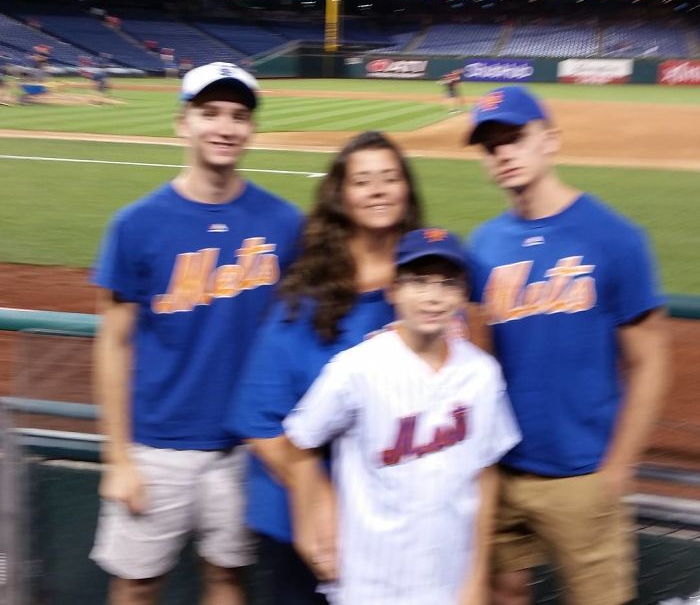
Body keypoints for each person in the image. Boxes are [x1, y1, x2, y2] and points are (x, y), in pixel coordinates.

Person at [90, 62, 303, 605]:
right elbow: (112, 345)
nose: (225, 127)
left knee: (228, 578)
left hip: (244, 446)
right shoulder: (135, 224)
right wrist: (116, 459)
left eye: (238, 116)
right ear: (181, 123)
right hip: (155, 445)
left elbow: (306, 324)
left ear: (251, 130)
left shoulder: (283, 223)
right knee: (136, 585)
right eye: (209, 113)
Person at [464, 85, 669, 605]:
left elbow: (650, 362)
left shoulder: (614, 237)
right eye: (492, 146)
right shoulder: (483, 246)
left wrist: (619, 467)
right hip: (502, 470)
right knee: (503, 594)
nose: (504, 152)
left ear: (550, 140)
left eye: (516, 137)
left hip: (584, 475)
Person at [225, 131, 423, 605]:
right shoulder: (305, 294)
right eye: (362, 181)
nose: (377, 189)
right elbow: (256, 416)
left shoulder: (432, 291)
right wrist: (319, 498)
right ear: (342, 197)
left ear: (406, 191)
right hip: (305, 524)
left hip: (397, 524)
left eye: (389, 178)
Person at [283, 228, 522, 605]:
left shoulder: (481, 374)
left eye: (447, 284)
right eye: (418, 282)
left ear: (462, 295)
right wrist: (310, 520)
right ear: (393, 291)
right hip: (369, 582)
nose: (433, 296)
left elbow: (485, 476)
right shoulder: (355, 368)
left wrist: (476, 578)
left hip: (449, 581)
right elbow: (300, 440)